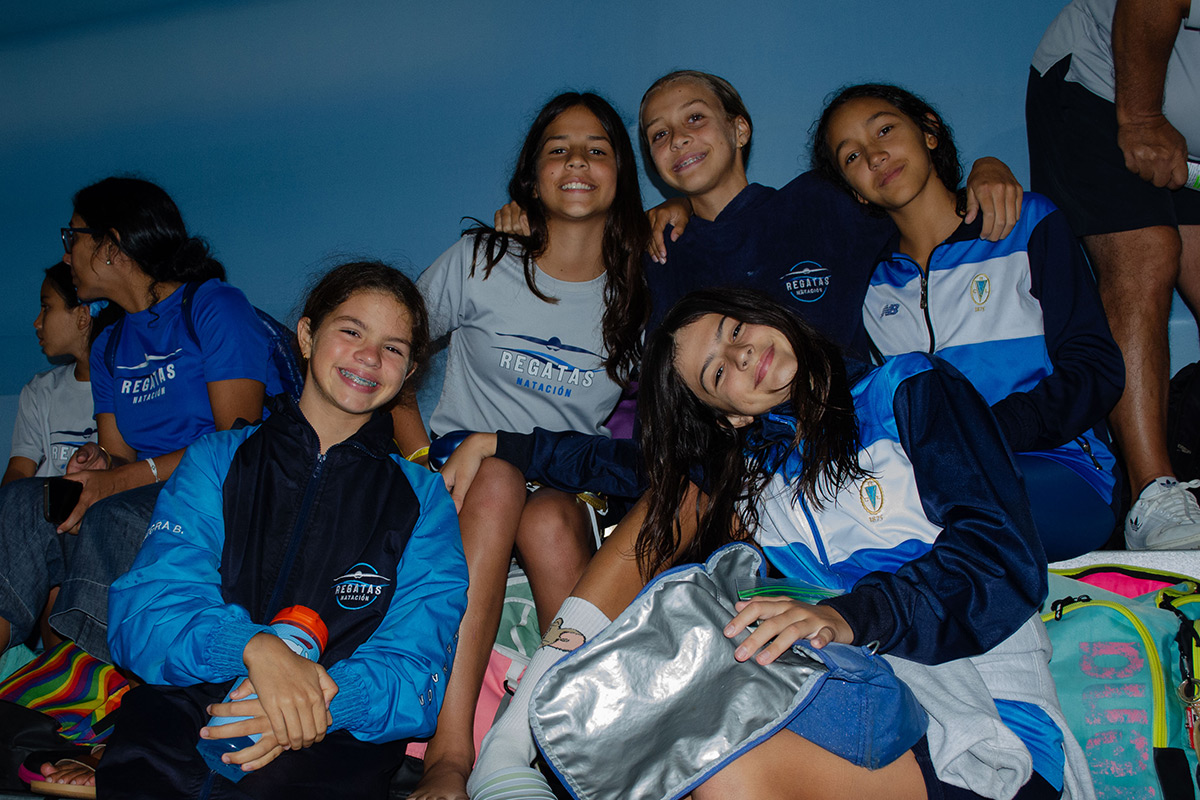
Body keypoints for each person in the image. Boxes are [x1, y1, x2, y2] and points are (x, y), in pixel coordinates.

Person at [470, 289, 1084, 800]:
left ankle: (525, 737)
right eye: (717, 373)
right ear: (728, 416)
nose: (741, 355)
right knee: (674, 505)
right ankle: (515, 738)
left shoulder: (908, 388)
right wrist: (501, 444)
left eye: (736, 329)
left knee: (721, 773)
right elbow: (623, 463)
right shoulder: (749, 472)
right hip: (859, 691)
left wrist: (849, 615)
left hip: (981, 714)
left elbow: (1002, 556)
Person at [90, 261, 468, 799]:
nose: (369, 357)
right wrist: (253, 648)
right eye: (351, 331)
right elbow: (145, 612)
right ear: (307, 336)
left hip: (332, 740)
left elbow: (417, 666)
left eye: (393, 347)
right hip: (180, 723)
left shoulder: (425, 501)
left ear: (408, 373)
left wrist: (314, 703)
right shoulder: (217, 459)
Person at [396, 92, 649, 800]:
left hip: (568, 484)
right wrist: (418, 462)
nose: (577, 162)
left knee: (541, 514)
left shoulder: (641, 292)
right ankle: (450, 753)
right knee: (498, 477)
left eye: (597, 149)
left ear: (621, 173)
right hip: (464, 472)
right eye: (557, 149)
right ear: (532, 177)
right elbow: (390, 356)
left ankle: (581, 747)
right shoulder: (481, 259)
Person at [0, 177, 290, 749]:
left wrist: (119, 481)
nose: (67, 254)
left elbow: (237, 440)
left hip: (224, 492)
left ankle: (97, 692)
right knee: (24, 501)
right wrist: (96, 464)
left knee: (117, 515)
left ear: (112, 243)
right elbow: (120, 455)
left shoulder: (213, 306)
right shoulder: (111, 343)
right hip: (148, 487)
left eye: (73, 237)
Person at [810, 83, 1124, 561]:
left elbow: (1096, 368)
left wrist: (991, 431)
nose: (874, 156)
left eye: (885, 130)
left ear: (929, 132)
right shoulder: (869, 286)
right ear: (855, 191)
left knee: (925, 516)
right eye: (851, 156)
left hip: (1060, 469)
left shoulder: (1025, 222)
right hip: (939, 484)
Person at [1027, 0, 1200, 549]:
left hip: (1191, 133)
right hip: (1105, 85)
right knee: (1146, 254)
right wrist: (1142, 119)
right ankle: (1153, 498)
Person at [4, 262, 119, 484]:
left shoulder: (127, 386)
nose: (37, 323)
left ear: (83, 317)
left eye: (46, 307)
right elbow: (19, 470)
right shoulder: (39, 391)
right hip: (45, 505)